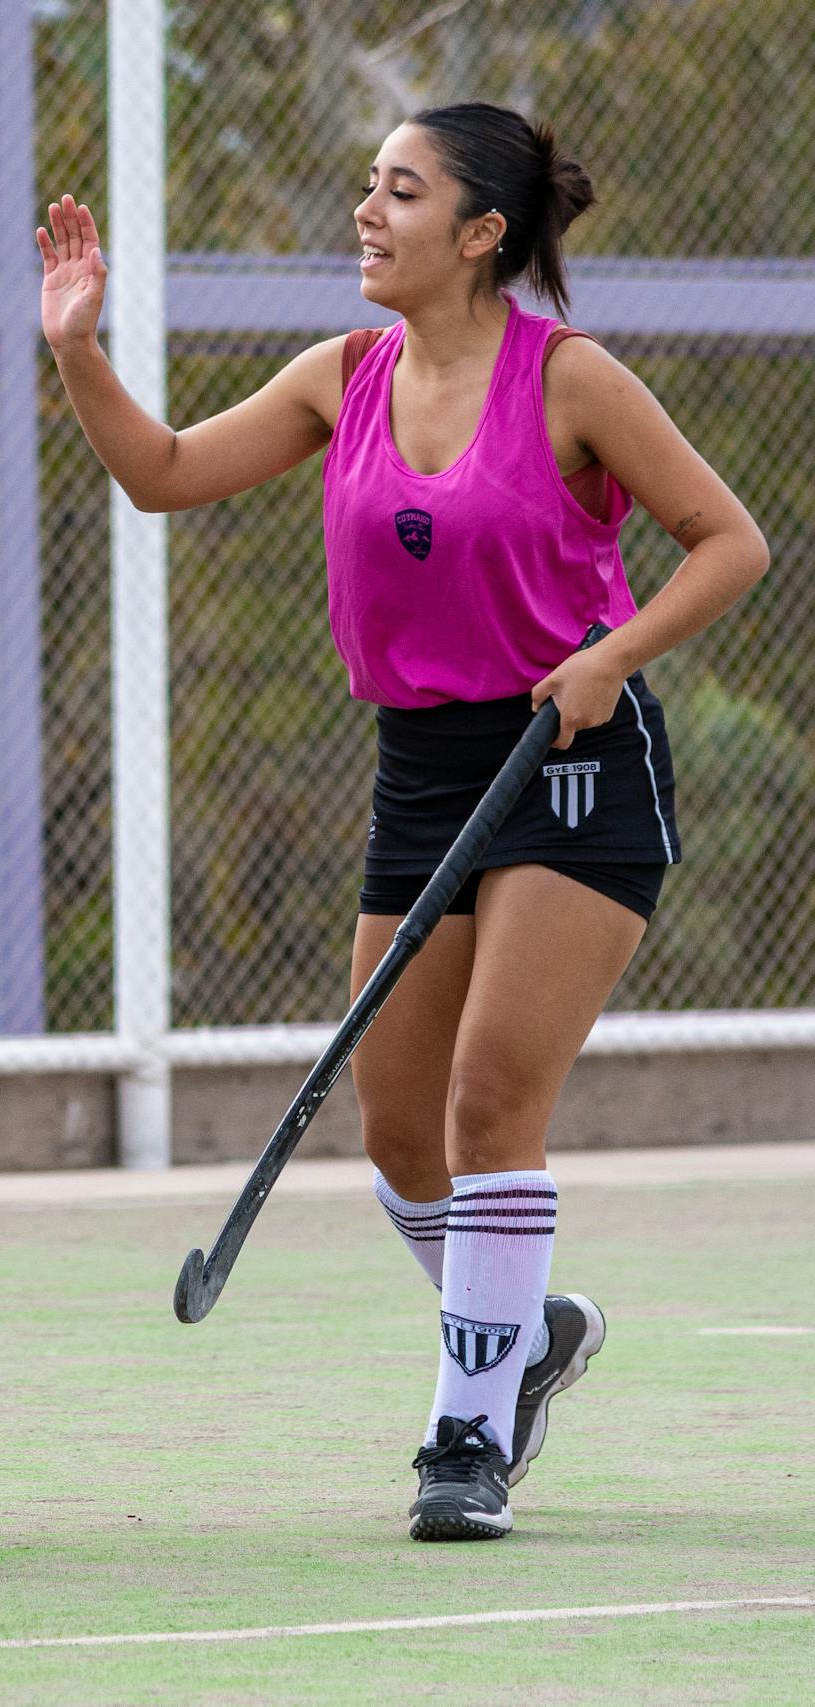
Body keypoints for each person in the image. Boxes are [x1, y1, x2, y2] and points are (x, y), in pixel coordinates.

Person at [38, 103, 766, 1540]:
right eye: (368, 185)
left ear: (482, 231)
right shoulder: (342, 375)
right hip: (425, 768)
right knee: (396, 1129)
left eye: (402, 192)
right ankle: (528, 1326)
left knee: (494, 1095)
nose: (368, 212)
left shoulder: (573, 379)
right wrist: (77, 346)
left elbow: (728, 539)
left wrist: (613, 654)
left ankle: (465, 1435)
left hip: (572, 759)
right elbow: (163, 471)